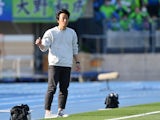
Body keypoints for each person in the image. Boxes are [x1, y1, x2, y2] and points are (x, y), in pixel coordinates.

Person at [35, 9, 80, 118]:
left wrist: (77, 62)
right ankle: (47, 112)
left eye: (66, 18)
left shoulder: (72, 33)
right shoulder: (51, 32)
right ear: (58, 20)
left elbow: (75, 48)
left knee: (64, 89)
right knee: (52, 88)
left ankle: (60, 111)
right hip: (54, 64)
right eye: (62, 18)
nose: (65, 20)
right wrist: (40, 44)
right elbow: (44, 47)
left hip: (67, 64)